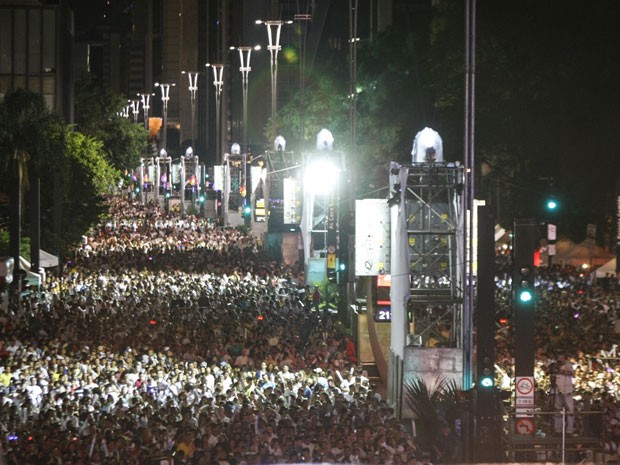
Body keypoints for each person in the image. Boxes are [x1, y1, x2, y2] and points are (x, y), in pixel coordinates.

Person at [551, 351, 575, 436]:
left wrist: (561, 370)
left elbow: (572, 373)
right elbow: (547, 370)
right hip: (557, 390)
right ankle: (558, 430)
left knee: (570, 411)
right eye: (558, 356)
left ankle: (569, 431)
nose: (559, 358)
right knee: (557, 410)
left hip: (566, 390)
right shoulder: (554, 364)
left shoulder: (568, 365)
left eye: (560, 356)